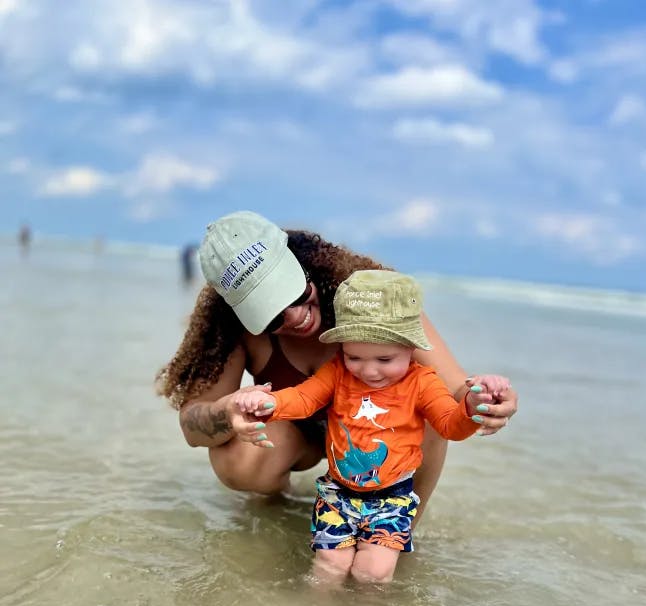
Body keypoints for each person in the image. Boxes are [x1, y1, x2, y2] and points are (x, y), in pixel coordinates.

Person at [155, 210, 518, 523]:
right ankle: (276, 509)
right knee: (238, 460)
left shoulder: (371, 298)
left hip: (380, 429)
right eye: (271, 315)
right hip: (302, 435)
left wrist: (485, 399)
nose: (295, 317)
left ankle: (400, 528)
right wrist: (226, 411)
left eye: (295, 293)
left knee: (424, 407)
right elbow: (193, 427)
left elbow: (454, 391)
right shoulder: (236, 332)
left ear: (302, 260)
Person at [232, 269, 507, 584]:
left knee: (372, 572)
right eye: (355, 357)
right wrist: (267, 404)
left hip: (392, 498)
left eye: (385, 360)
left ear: (411, 347)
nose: (369, 371)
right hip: (338, 493)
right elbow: (303, 400)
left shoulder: (423, 382)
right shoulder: (337, 372)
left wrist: (472, 405)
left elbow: (450, 426)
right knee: (329, 566)